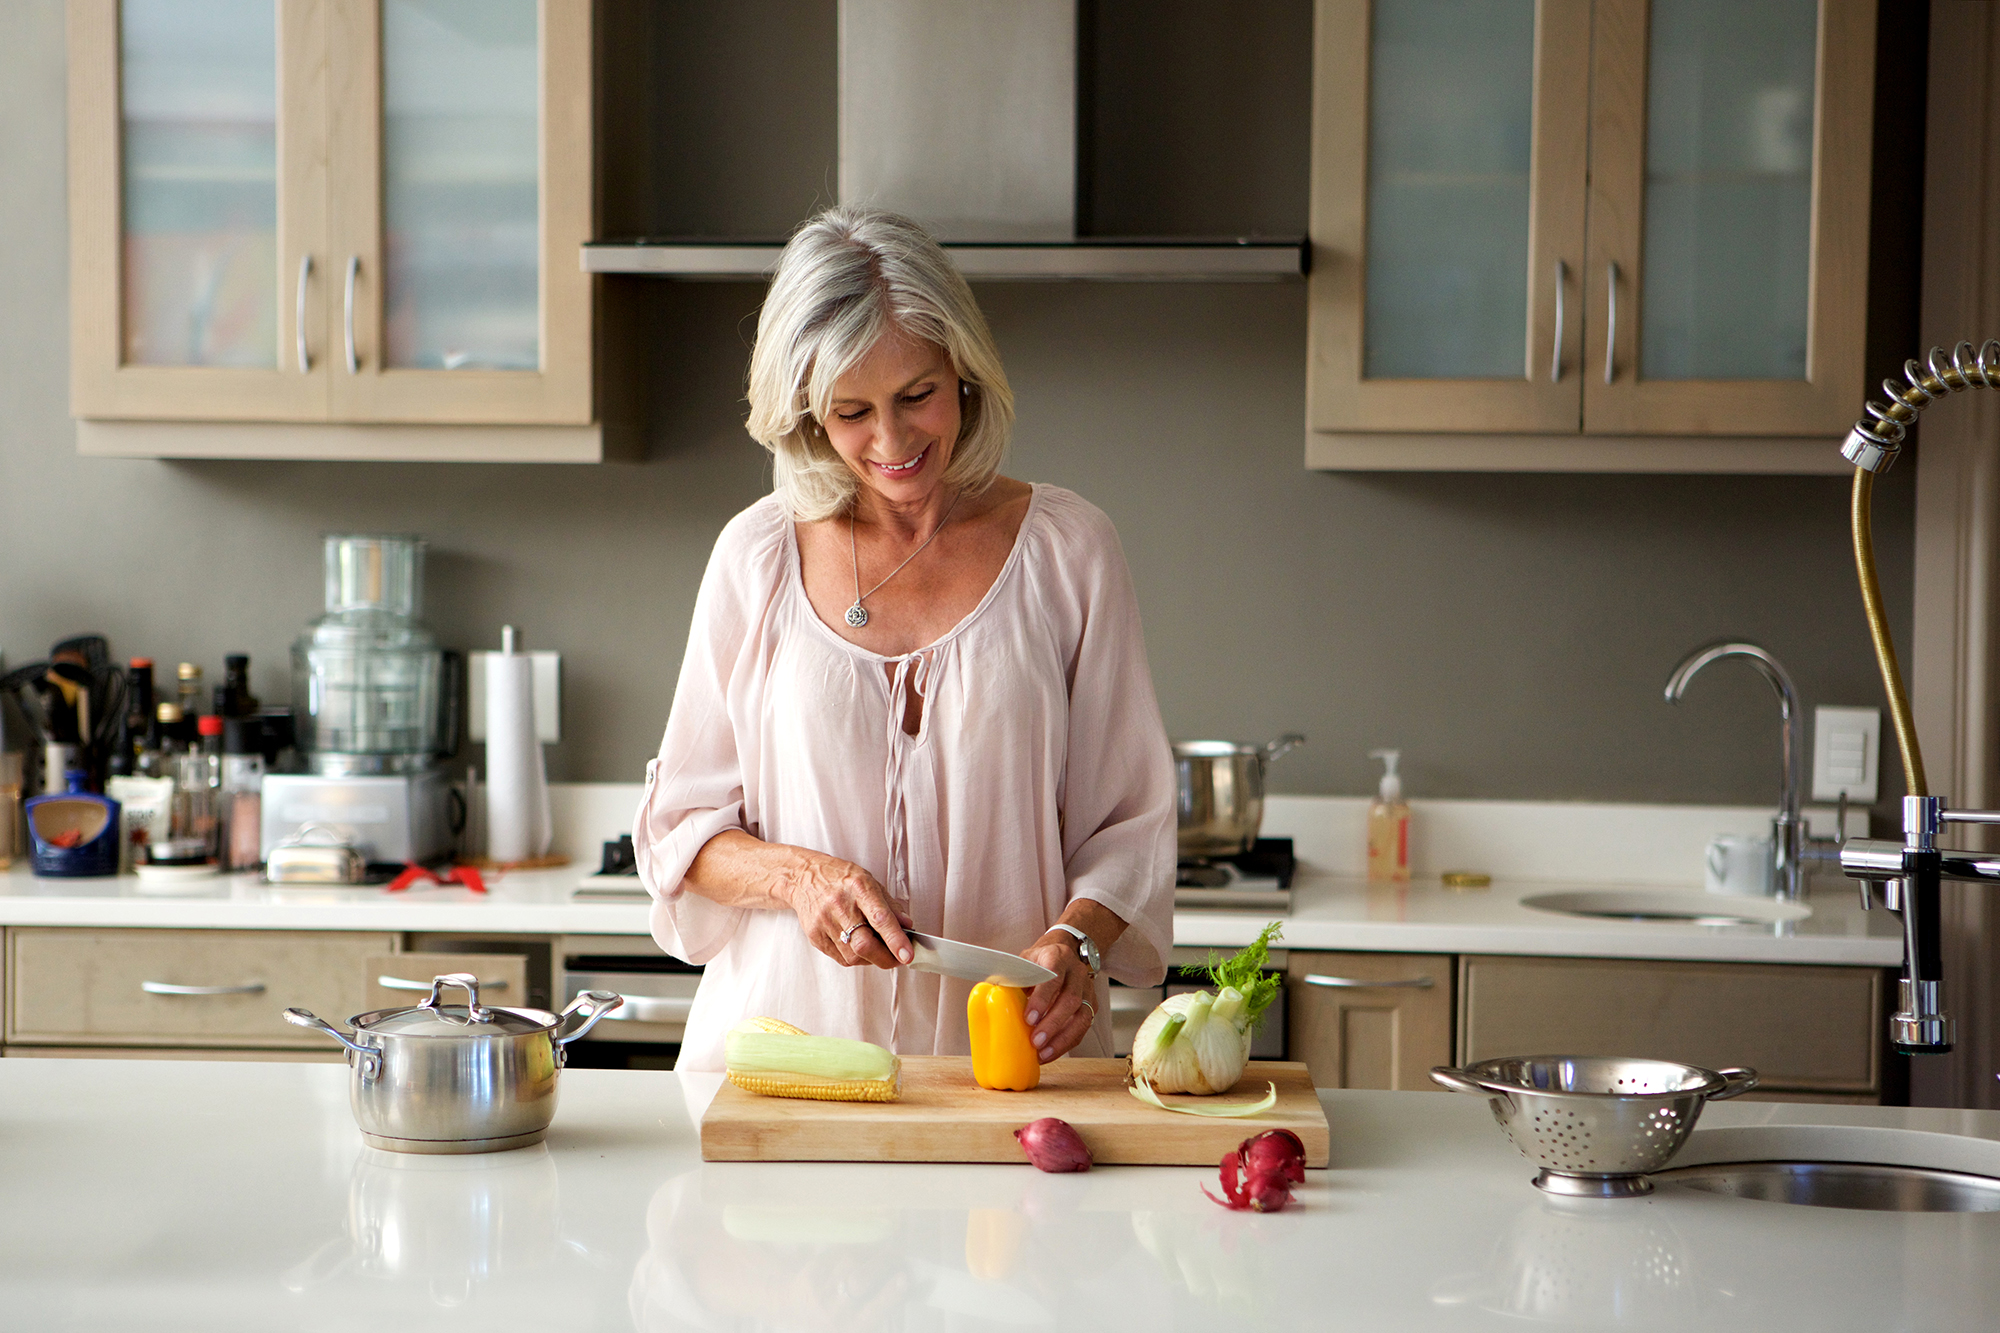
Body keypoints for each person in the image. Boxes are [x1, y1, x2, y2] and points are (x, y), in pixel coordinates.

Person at [634, 205, 1177, 1072]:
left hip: (1012, 1067)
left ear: (964, 370)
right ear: (808, 412)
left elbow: (1131, 822)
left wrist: (1081, 943)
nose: (891, 442)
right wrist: (800, 878)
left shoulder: (1071, 551)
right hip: (789, 1074)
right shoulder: (757, 556)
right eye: (851, 411)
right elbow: (681, 831)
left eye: (916, 395)